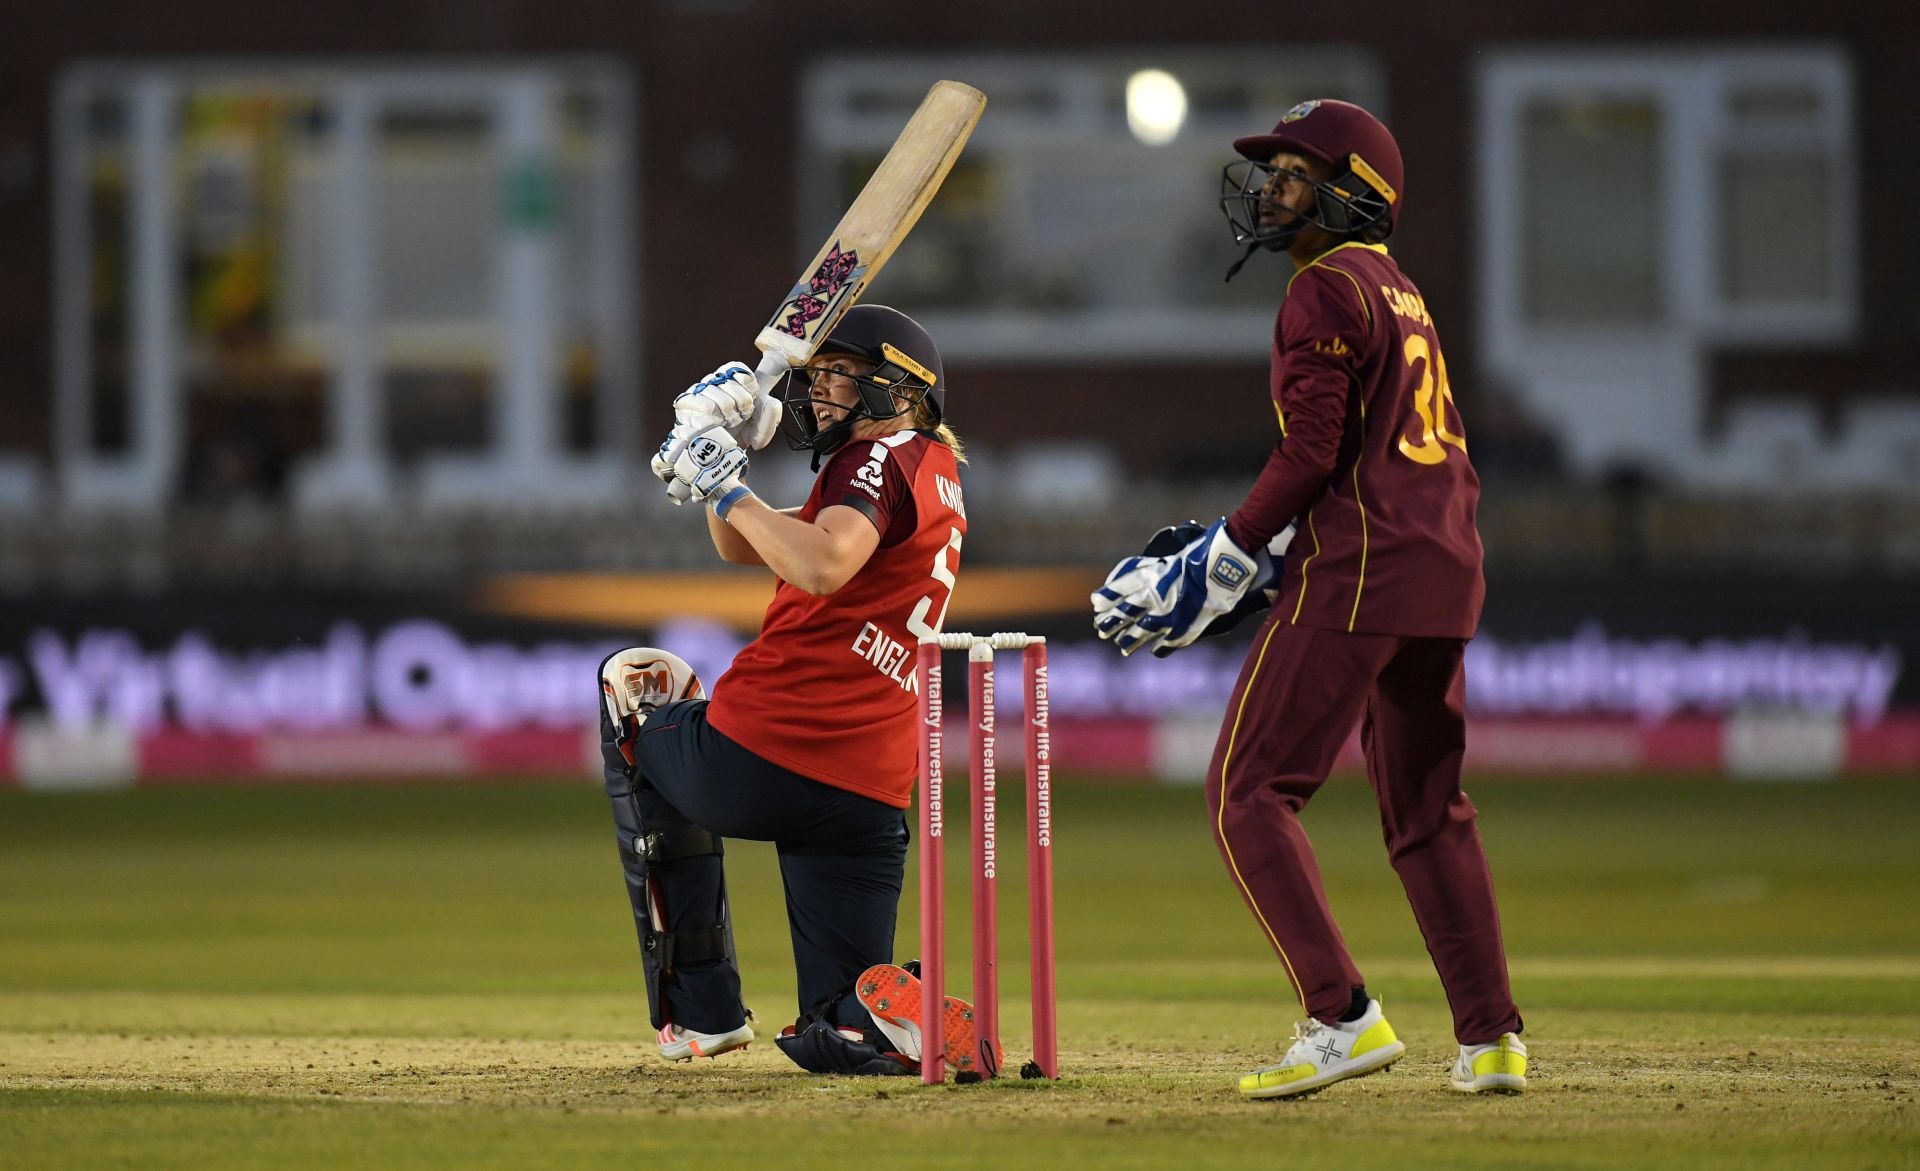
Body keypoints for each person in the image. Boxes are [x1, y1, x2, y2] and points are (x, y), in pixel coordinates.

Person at [1091, 99, 1528, 1098]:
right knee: (1429, 811)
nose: (1271, 189)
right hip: (1443, 568)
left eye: (1294, 172)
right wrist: (1256, 553)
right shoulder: (1399, 290)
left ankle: (1341, 1016)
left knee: (1248, 792)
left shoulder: (1324, 288)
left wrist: (1228, 549)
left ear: (1350, 195)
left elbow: (1312, 451)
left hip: (1365, 568)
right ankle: (1492, 1038)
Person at [598, 305, 976, 1076]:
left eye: (844, 372)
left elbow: (821, 564)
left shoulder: (877, 458)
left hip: (760, 752)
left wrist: (724, 481)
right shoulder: (932, 471)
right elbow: (748, 543)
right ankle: (880, 1019)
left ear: (902, 390)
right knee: (835, 1023)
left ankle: (700, 1013)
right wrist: (722, 460)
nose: (824, 389)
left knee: (638, 686)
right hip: (868, 791)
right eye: (821, 372)